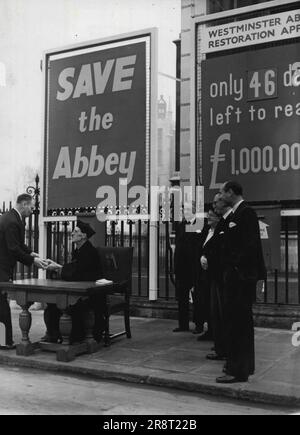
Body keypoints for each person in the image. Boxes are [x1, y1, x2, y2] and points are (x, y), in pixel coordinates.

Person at [216, 181, 266, 384]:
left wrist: (234, 267)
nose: (220, 195)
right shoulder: (237, 214)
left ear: (231, 192)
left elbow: (248, 246)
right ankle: (241, 366)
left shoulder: (246, 213)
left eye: (222, 192)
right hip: (237, 278)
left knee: (238, 324)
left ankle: (238, 370)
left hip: (241, 279)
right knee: (238, 324)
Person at [0, 194, 47, 348]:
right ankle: (4, 342)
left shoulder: (13, 218)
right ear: (24, 204)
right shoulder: (12, 221)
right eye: (32, 207)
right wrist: (33, 261)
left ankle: (2, 341)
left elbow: (19, 244)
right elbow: (13, 249)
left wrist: (31, 253)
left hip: (3, 267)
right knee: (2, 306)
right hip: (2, 269)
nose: (33, 211)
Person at [44, 221, 103, 343]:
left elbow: (77, 274)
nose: (72, 233)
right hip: (78, 290)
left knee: (62, 304)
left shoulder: (89, 251)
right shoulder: (79, 250)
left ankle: (69, 336)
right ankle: (54, 334)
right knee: (52, 303)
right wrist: (58, 267)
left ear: (84, 236)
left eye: (76, 232)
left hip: (90, 295)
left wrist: (58, 268)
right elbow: (74, 269)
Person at [204, 193, 232, 360]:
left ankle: (224, 349)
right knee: (216, 314)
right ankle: (220, 347)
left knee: (222, 314)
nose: (214, 206)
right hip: (216, 275)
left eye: (216, 203)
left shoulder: (226, 222)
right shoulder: (221, 223)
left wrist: (209, 257)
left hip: (222, 276)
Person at [173, 202, 199, 333]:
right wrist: (175, 267)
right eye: (184, 209)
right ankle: (183, 324)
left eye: (188, 209)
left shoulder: (199, 224)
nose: (185, 211)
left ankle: (198, 324)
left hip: (194, 266)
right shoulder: (181, 225)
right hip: (182, 267)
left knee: (197, 297)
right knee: (182, 298)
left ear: (194, 210)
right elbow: (178, 247)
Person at [196, 207, 220, 342]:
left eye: (211, 216)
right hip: (203, 272)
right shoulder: (207, 231)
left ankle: (215, 332)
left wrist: (207, 258)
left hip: (213, 272)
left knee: (214, 304)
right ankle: (210, 330)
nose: (208, 218)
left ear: (218, 218)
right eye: (208, 216)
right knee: (206, 301)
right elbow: (200, 246)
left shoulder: (219, 232)